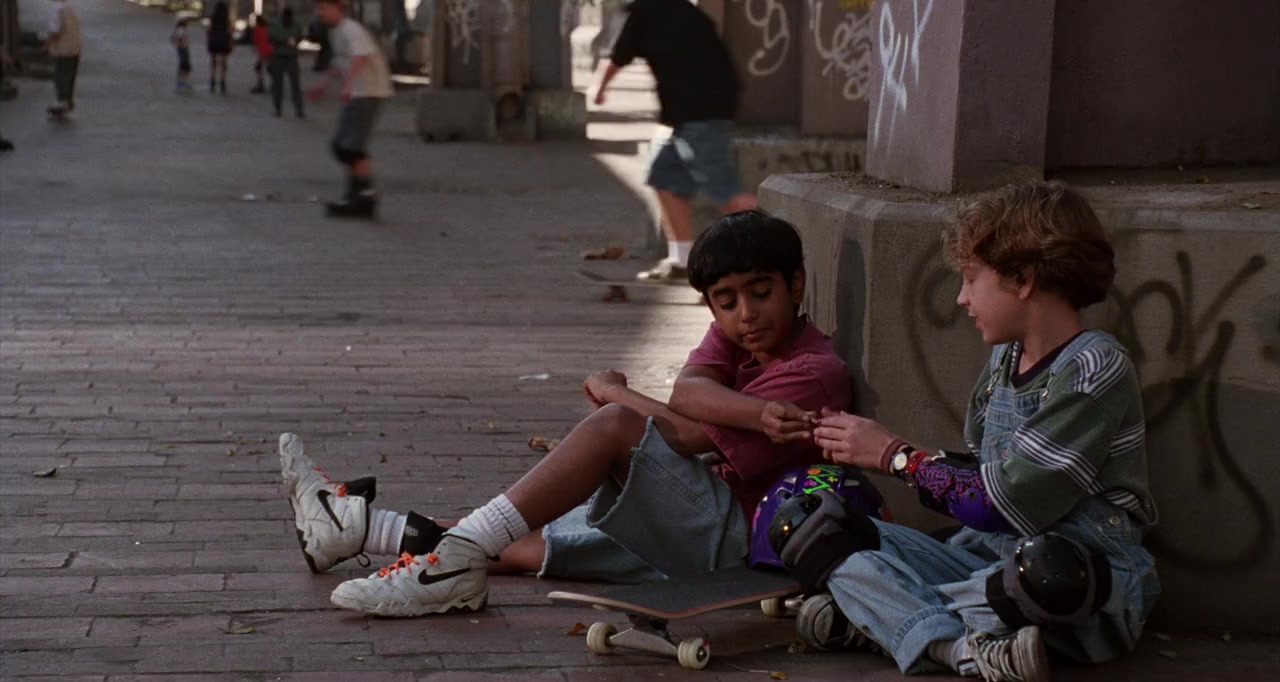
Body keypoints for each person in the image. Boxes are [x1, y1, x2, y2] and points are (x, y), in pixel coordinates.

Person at [279, 210, 853, 616]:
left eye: (761, 292)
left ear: (796, 284)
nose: (745, 314)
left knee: (615, 428)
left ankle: (449, 566)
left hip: (741, 539)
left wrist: (616, 393)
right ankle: (358, 530)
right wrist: (749, 412)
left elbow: (681, 432)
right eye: (726, 302)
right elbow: (688, 394)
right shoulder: (741, 335)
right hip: (702, 508)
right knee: (521, 543)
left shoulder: (814, 372)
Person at [772, 181, 1158, 682]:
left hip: (1070, 579)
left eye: (971, 278)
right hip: (983, 563)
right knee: (810, 524)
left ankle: (889, 619)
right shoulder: (1004, 360)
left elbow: (1007, 502)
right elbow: (978, 479)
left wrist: (894, 456)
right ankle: (962, 649)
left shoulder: (1093, 368)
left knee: (1044, 571)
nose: (961, 297)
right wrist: (875, 448)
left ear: (1023, 279)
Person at [591, 0, 758, 284]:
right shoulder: (683, 10)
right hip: (690, 114)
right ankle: (682, 261)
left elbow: (619, 55)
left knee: (726, 193)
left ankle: (780, 246)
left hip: (699, 115)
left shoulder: (645, 13)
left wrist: (599, 88)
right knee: (664, 179)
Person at [307, 0, 392, 218]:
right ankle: (356, 193)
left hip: (368, 92)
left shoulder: (351, 29)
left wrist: (348, 85)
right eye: (318, 9)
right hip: (357, 93)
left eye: (324, 8)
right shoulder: (337, 32)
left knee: (352, 147)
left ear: (338, 8)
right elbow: (340, 64)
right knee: (341, 146)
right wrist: (322, 85)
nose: (320, 13)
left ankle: (364, 196)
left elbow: (360, 56)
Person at [267, 7, 304, 118]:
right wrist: (286, 40)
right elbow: (271, 37)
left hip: (291, 57)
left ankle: (298, 109)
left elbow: (300, 37)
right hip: (279, 56)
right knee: (279, 84)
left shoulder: (295, 25)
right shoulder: (276, 25)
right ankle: (278, 108)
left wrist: (294, 41)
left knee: (295, 84)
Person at [45, 0, 81, 114]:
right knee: (70, 75)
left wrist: (47, 45)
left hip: (62, 49)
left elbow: (55, 31)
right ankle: (68, 100)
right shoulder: (70, 8)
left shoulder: (55, 9)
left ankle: (62, 100)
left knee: (61, 74)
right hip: (74, 47)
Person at [206, 1, 232, 94]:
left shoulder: (213, 18)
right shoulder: (227, 19)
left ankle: (212, 80)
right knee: (223, 63)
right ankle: (222, 81)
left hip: (214, 42)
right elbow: (230, 31)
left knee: (213, 62)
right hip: (224, 42)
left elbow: (209, 29)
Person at [250, 14, 272, 94]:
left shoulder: (257, 29)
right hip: (271, 50)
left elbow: (255, 40)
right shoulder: (268, 28)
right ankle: (273, 84)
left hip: (263, 51)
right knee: (270, 68)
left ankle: (261, 84)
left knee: (258, 68)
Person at [171, 17, 193, 93]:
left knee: (185, 65)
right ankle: (182, 81)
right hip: (183, 49)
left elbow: (173, 38)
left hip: (183, 48)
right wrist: (182, 44)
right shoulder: (181, 30)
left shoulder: (179, 29)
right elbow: (179, 38)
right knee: (184, 65)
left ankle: (183, 80)